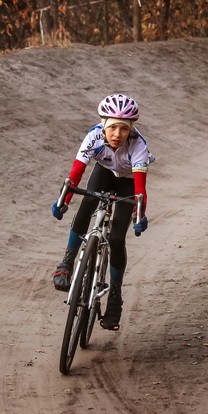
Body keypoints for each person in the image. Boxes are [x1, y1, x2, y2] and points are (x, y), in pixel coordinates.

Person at [51, 93, 151, 331]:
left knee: (116, 239)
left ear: (131, 130)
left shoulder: (139, 147)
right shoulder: (93, 136)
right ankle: (67, 261)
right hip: (104, 172)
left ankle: (115, 298)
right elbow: (75, 174)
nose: (118, 135)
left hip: (127, 182)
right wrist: (63, 201)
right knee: (86, 204)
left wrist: (140, 216)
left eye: (124, 129)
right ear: (104, 125)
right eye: (113, 128)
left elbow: (140, 190)